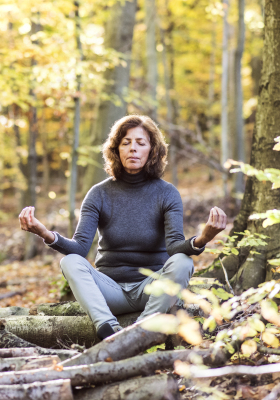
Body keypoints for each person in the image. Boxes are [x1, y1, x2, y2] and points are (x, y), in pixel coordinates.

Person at [19, 115, 227, 339]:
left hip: (152, 289)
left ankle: (144, 328)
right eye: (126, 143)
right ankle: (107, 328)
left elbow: (175, 247)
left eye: (140, 143)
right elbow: (79, 249)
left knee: (183, 262)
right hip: (110, 291)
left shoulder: (167, 193)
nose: (133, 149)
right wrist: (44, 233)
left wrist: (203, 239)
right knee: (70, 261)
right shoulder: (98, 194)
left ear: (153, 150)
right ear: (116, 150)